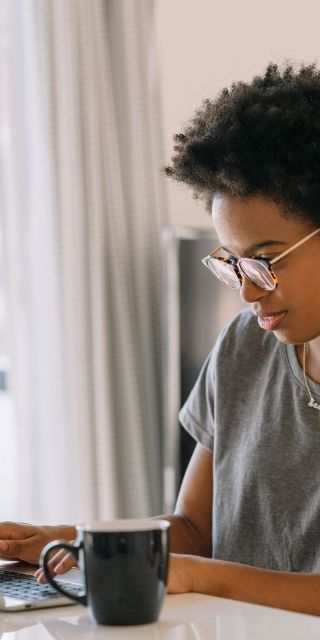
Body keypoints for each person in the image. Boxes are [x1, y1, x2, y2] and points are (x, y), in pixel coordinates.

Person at [2, 61, 320, 616]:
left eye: (266, 262)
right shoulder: (246, 346)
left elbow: (197, 564)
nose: (248, 293)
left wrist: (201, 578)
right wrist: (84, 541)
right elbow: (195, 529)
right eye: (234, 263)